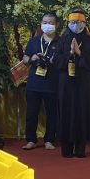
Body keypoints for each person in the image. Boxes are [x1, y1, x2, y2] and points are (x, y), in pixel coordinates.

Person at [55, 8, 90, 158]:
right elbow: (56, 61)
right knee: (66, 112)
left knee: (82, 112)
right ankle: (66, 148)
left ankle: (80, 148)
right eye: (73, 22)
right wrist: (70, 53)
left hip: (83, 83)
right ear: (68, 23)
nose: (76, 25)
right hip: (66, 84)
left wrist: (80, 53)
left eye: (79, 22)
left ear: (84, 23)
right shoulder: (62, 40)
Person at [21, 11, 60, 150]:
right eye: (45, 23)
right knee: (31, 113)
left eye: (51, 23)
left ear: (57, 25)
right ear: (41, 24)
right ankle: (31, 140)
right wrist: (32, 58)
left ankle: (49, 140)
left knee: (52, 113)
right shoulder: (34, 41)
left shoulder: (61, 42)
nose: (47, 25)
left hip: (53, 83)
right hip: (34, 83)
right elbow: (25, 59)